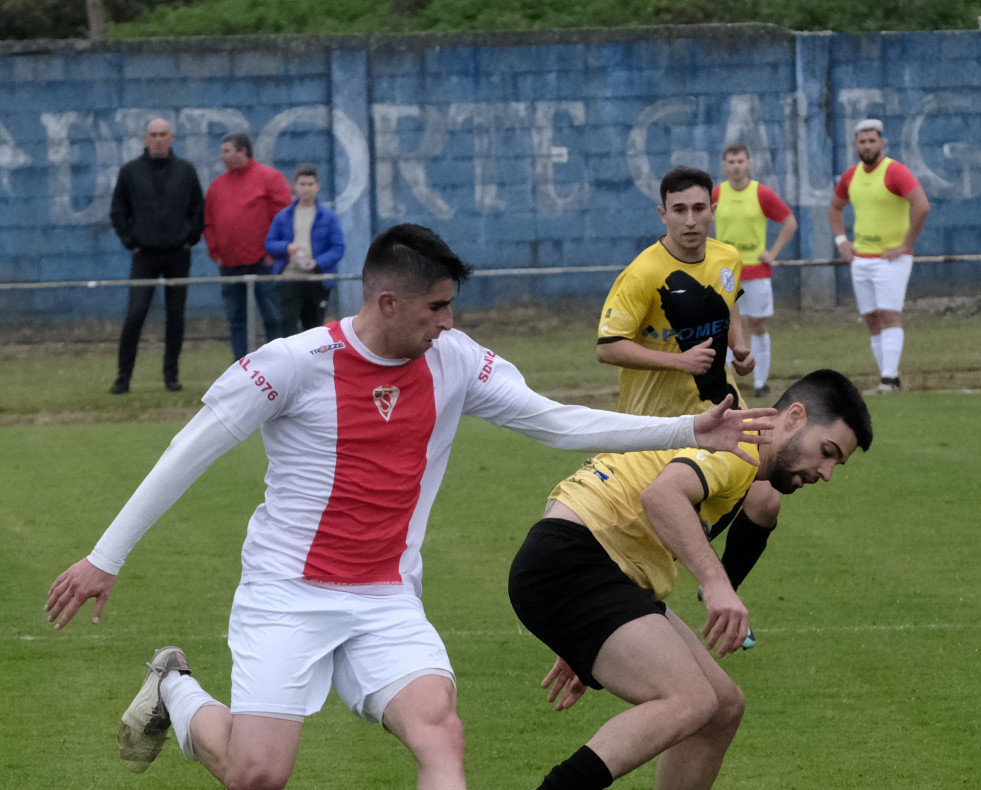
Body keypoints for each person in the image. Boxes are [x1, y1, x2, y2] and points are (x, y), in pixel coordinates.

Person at [45, 224, 776, 790]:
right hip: (285, 595)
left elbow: (550, 419)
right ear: (386, 302)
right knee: (256, 773)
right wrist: (104, 558)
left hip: (386, 599)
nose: (449, 321)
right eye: (437, 306)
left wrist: (685, 428)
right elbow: (189, 452)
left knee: (439, 735)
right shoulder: (290, 366)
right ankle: (174, 687)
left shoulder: (454, 358)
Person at [509, 369, 873, 790]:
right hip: (572, 561)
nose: (826, 472)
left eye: (836, 463)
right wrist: (717, 584)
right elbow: (662, 495)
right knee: (691, 699)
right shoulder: (741, 447)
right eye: (827, 451)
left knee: (722, 708)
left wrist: (587, 636)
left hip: (590, 567)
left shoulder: (738, 450)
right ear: (793, 416)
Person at [597, 165, 777, 649]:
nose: (691, 220)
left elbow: (728, 303)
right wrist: (675, 361)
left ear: (713, 211)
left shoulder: (726, 256)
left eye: (700, 209)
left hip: (720, 408)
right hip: (655, 424)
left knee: (766, 499)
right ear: (663, 214)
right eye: (680, 210)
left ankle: (723, 594)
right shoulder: (642, 274)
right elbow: (608, 346)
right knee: (649, 540)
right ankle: (610, 626)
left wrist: (738, 349)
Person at [828, 118, 930, 394]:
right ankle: (887, 378)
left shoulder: (895, 171)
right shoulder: (851, 175)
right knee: (872, 318)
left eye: (873, 140)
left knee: (889, 315)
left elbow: (921, 206)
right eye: (862, 141)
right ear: (855, 145)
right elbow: (834, 209)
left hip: (891, 259)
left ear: (882, 143)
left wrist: (905, 245)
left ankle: (889, 378)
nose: (868, 145)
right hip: (861, 258)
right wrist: (842, 241)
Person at [108, 118, 205, 394]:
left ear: (171, 137)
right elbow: (118, 210)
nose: (159, 139)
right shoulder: (130, 172)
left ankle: (171, 377)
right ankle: (123, 378)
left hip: (177, 255)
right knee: (135, 314)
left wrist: (189, 239)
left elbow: (198, 209)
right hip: (145, 256)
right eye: (154, 135)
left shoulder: (186, 171)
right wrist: (131, 242)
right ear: (145, 138)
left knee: (175, 316)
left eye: (163, 134)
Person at [712, 143, 798, 399]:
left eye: (740, 161)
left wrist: (772, 253)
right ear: (724, 165)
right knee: (723, 326)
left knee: (756, 324)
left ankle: (761, 382)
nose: (736, 166)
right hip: (725, 273)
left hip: (756, 273)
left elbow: (789, 221)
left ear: (748, 164)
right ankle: (726, 382)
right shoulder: (716, 194)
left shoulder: (761, 193)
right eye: (731, 161)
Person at [204, 133, 292, 361]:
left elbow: (283, 217)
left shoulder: (270, 178)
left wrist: (276, 252)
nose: (222, 156)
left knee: (272, 316)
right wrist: (216, 252)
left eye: (227, 151)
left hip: (263, 262)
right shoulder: (217, 186)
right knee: (236, 318)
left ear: (243, 152)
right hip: (230, 264)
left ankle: (278, 364)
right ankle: (241, 365)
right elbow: (209, 221)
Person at [264, 164, 346, 335]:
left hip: (317, 277)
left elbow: (338, 248)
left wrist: (317, 262)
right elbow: (270, 243)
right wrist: (286, 248)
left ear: (317, 187)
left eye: (310, 184)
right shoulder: (283, 216)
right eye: (302, 184)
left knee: (314, 330)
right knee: (287, 329)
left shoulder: (329, 217)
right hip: (289, 277)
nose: (306, 188)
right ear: (295, 186)